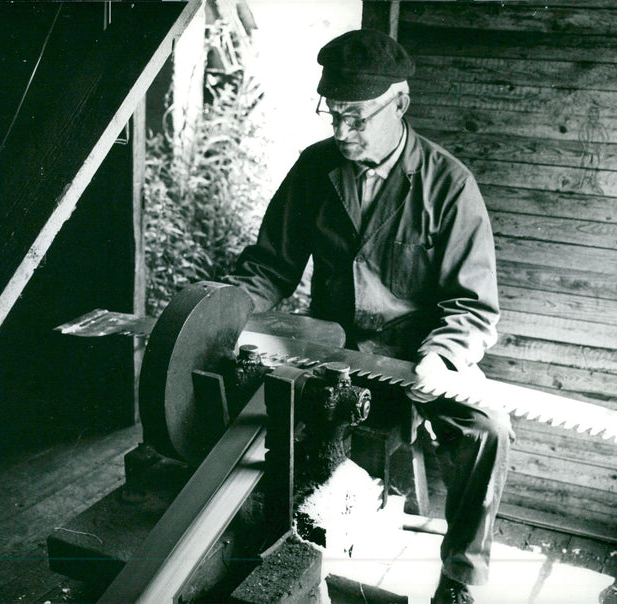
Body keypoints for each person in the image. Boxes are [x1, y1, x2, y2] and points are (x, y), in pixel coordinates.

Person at [233, 28, 512, 604]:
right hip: (330, 352)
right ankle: (270, 550)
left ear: (400, 103)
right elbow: (268, 268)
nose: (341, 131)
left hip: (417, 359)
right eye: (332, 114)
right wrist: (221, 312)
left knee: (488, 430)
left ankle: (462, 577)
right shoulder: (314, 169)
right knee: (245, 403)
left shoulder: (448, 185)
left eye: (356, 117)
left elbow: (474, 304)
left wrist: (444, 355)